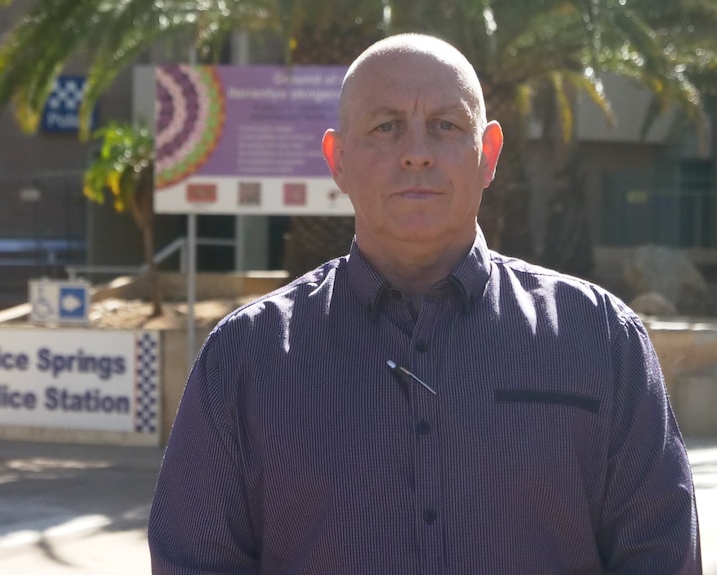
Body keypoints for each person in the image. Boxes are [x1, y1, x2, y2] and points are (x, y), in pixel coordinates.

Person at [148, 33, 701, 574]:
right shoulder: (245, 359)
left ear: (487, 154)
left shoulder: (601, 342)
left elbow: (659, 553)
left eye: (445, 126)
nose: (417, 153)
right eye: (387, 127)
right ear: (337, 159)